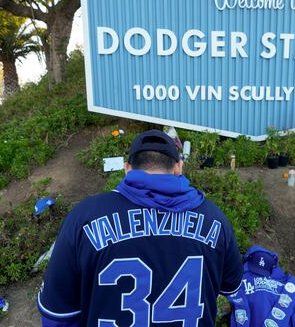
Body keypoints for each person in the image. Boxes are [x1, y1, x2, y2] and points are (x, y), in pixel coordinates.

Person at [37, 130, 243, 327]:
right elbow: (231, 287)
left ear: (127, 168)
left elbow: (58, 315)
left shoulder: (84, 217)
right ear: (179, 167)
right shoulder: (215, 219)